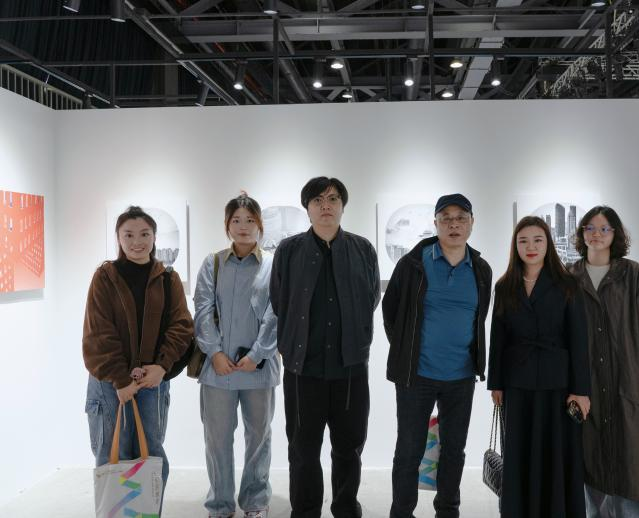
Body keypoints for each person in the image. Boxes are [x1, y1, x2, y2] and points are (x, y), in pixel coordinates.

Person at [270, 176, 380, 518]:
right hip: (303, 369)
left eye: (333, 199)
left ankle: (345, 509)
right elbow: (279, 301)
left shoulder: (363, 249)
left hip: (350, 368)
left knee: (349, 448)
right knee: (303, 450)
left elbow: (371, 298)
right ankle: (306, 511)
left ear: (343, 206)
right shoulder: (289, 251)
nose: (326, 206)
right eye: (317, 200)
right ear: (307, 208)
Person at [382, 193, 492, 518]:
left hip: (461, 377)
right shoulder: (413, 264)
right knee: (409, 451)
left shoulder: (481, 269)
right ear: (436, 224)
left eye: (461, 218)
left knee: (454, 451)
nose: (454, 225)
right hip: (416, 375)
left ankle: (447, 511)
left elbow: (480, 317)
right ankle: (402, 513)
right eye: (446, 219)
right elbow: (391, 310)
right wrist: (406, 350)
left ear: (472, 223)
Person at [82, 205, 193, 503]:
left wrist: (161, 367)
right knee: (112, 454)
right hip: (110, 384)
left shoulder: (168, 278)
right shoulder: (105, 277)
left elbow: (182, 326)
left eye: (144, 234)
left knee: (151, 454)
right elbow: (99, 332)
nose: (137, 242)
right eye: (128, 235)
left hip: (152, 382)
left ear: (154, 237)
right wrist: (121, 379)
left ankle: (147, 512)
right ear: (118, 238)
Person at [488, 215, 591, 518]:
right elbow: (497, 338)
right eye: (523, 241)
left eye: (537, 240)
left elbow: (579, 340)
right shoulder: (505, 286)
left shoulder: (568, 285)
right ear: (515, 246)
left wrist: (581, 390)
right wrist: (496, 383)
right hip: (517, 382)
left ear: (548, 244)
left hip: (557, 384)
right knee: (519, 453)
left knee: (556, 453)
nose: (530, 247)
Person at [570, 206, 639, 518]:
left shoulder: (633, 275)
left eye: (604, 228)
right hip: (584, 386)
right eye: (590, 228)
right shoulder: (570, 277)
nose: (596, 234)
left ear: (615, 234)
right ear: (581, 233)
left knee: (630, 465)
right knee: (588, 464)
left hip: (627, 383)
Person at [194, 193, 280, 518]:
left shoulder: (273, 264)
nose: (243, 226)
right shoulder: (213, 263)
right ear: (227, 225)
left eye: (250, 220)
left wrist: (258, 354)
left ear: (260, 225)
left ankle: (255, 501)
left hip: (259, 368)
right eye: (236, 220)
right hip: (219, 370)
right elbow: (202, 309)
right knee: (216, 440)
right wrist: (214, 352)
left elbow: (277, 312)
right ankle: (220, 504)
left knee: (259, 438)